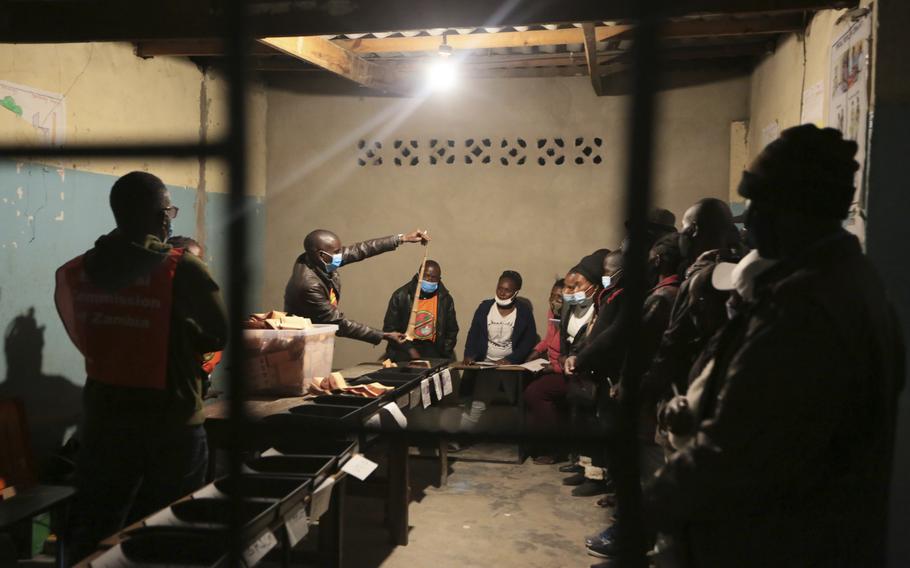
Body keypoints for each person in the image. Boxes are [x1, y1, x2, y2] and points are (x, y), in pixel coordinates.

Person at [644, 125, 905, 567]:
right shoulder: (851, 281)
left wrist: (652, 502)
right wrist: (700, 408)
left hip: (782, 540)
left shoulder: (806, 308)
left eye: (760, 202)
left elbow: (735, 452)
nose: (750, 219)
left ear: (798, 209)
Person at [55, 172, 228, 560]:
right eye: (169, 211)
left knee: (99, 520)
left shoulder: (78, 270)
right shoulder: (180, 268)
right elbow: (217, 335)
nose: (171, 219)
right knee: (171, 521)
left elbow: (84, 333)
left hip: (105, 417)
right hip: (171, 417)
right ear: (160, 216)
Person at [283, 228, 429, 348]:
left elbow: (361, 249)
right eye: (336, 252)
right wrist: (383, 335)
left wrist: (401, 239)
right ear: (321, 254)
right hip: (302, 347)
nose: (341, 255)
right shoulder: (308, 285)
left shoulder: (318, 260)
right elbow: (337, 322)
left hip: (318, 339)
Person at [460, 271, 537, 430]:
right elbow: (473, 333)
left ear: (516, 292)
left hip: (511, 368)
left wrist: (512, 359)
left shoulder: (523, 312)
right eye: (499, 288)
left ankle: (521, 441)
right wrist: (469, 355)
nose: (502, 293)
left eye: (507, 290)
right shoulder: (485, 307)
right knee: (478, 403)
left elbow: (529, 341)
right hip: (486, 364)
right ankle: (461, 437)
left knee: (518, 402)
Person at [522, 278, 566, 464]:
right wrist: (533, 353)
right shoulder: (553, 313)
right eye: (552, 296)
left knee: (535, 392)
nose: (555, 301)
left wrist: (552, 367)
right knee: (525, 382)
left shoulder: (572, 317)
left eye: (560, 297)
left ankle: (553, 449)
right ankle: (532, 444)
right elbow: (549, 339)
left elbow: (572, 353)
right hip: (552, 366)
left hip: (566, 371)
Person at [382, 260, 459, 362]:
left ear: (439, 279)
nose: (429, 280)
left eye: (434, 278)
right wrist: (409, 349)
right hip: (404, 349)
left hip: (434, 350)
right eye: (426, 276)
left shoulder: (445, 299)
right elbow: (389, 329)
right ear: (419, 275)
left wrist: (444, 352)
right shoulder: (401, 296)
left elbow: (452, 330)